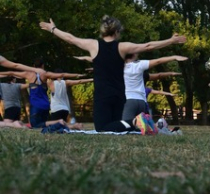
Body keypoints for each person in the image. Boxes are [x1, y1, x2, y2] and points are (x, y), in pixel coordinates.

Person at [39, 16, 186, 132]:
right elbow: (148, 46)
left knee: (102, 127)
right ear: (116, 32)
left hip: (103, 95)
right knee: (117, 127)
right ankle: (140, 123)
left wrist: (53, 29)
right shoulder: (123, 47)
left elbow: (70, 39)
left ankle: (136, 121)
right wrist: (171, 41)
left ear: (102, 31)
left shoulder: (93, 45)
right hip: (119, 96)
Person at [0, 59, 85, 129]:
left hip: (36, 105)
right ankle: (71, 125)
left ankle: (59, 122)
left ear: (33, 66)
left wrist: (1, 74)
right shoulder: (45, 74)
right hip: (46, 104)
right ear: (43, 66)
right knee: (45, 124)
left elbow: (11, 73)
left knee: (35, 125)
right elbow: (62, 74)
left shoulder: (28, 74)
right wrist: (77, 75)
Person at [121, 54, 187, 122]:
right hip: (142, 102)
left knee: (126, 125)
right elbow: (158, 70)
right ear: (134, 56)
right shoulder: (140, 68)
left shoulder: (119, 69)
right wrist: (173, 63)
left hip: (128, 100)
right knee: (141, 126)